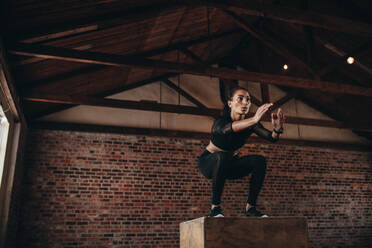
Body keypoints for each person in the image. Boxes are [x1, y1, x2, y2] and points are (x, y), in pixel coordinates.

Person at [198, 86, 285, 217]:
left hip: (230, 165)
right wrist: (254, 119)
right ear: (230, 103)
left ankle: (250, 208)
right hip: (209, 163)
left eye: (248, 100)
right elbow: (227, 129)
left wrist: (277, 129)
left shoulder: (251, 124)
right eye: (240, 99)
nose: (245, 103)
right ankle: (215, 209)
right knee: (222, 156)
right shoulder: (220, 122)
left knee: (259, 160)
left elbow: (271, 138)